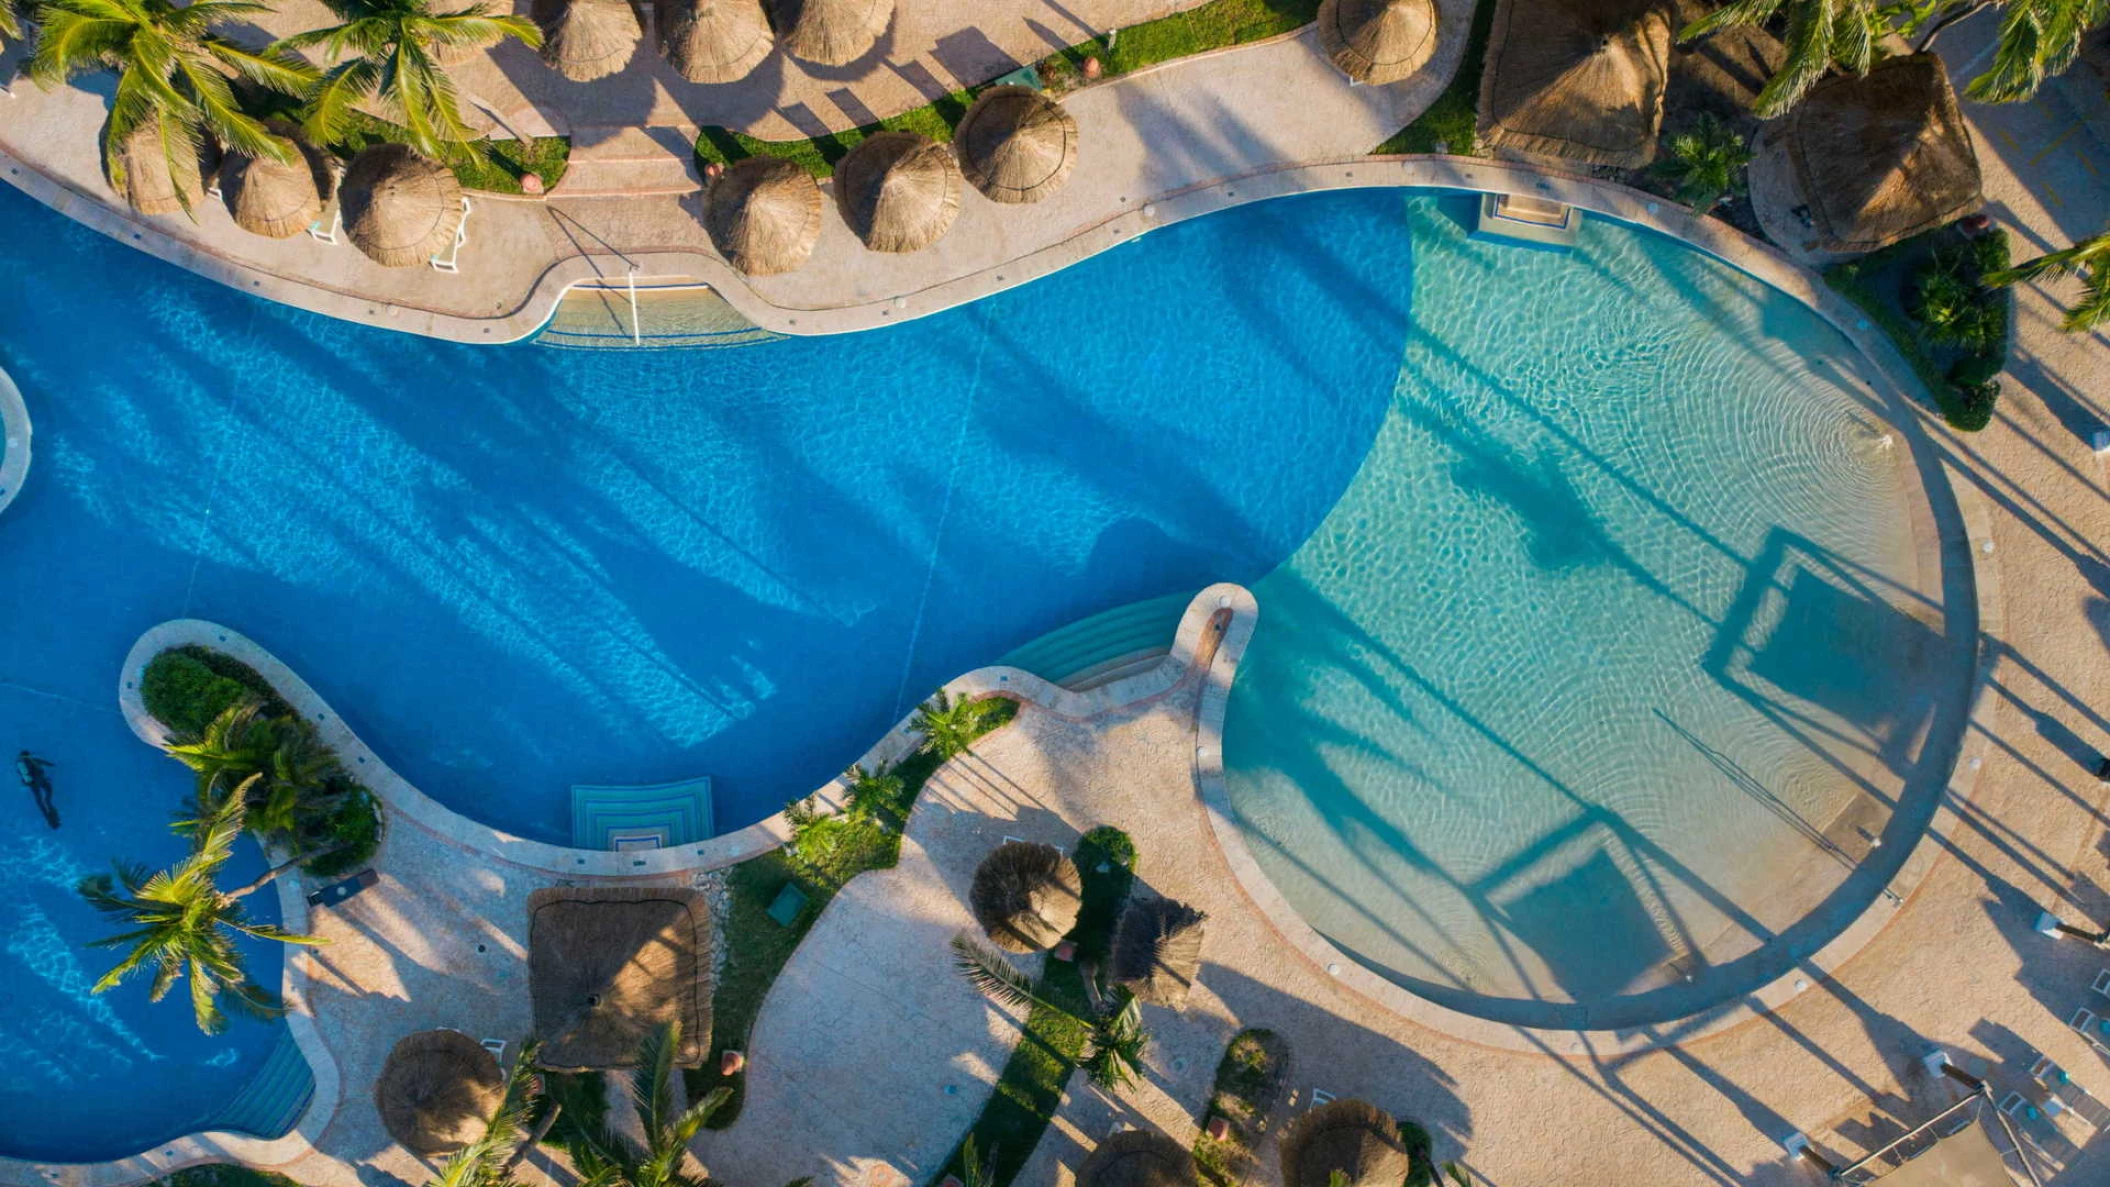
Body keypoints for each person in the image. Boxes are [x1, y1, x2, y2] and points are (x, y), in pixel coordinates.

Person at [16, 750, 58, 829]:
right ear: (28, 755)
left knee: (39, 801)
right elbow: (46, 763)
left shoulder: (20, 764)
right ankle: (51, 811)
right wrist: (54, 765)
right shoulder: (34, 760)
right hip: (42, 780)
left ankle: (49, 819)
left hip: (33, 784)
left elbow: (23, 776)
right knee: (48, 796)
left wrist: (26, 782)